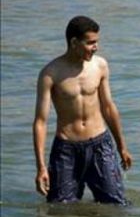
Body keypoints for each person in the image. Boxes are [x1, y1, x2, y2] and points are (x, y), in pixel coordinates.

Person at [33, 16, 133, 205]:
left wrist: (122, 147)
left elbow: (108, 107)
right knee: (60, 209)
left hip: (100, 145)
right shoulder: (50, 73)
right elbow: (40, 121)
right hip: (66, 148)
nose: (96, 47)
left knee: (116, 205)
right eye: (90, 43)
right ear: (74, 42)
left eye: (97, 42)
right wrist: (41, 167)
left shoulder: (100, 65)